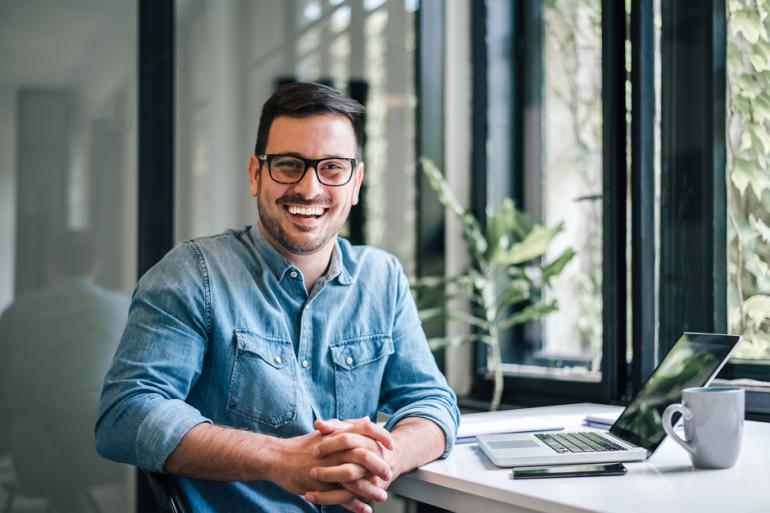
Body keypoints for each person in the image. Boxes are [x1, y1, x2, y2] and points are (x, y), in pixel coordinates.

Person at [95, 82, 460, 513]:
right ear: (255, 174)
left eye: (332, 168)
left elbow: (432, 403)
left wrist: (385, 456)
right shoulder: (193, 274)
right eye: (288, 165)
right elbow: (125, 415)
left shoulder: (382, 278)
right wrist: (278, 459)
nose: (308, 188)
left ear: (356, 182)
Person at [0, 230, 129, 512]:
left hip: (36, 458)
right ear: (97, 266)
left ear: (52, 265)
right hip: (108, 456)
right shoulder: (123, 309)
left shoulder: (19, 313)